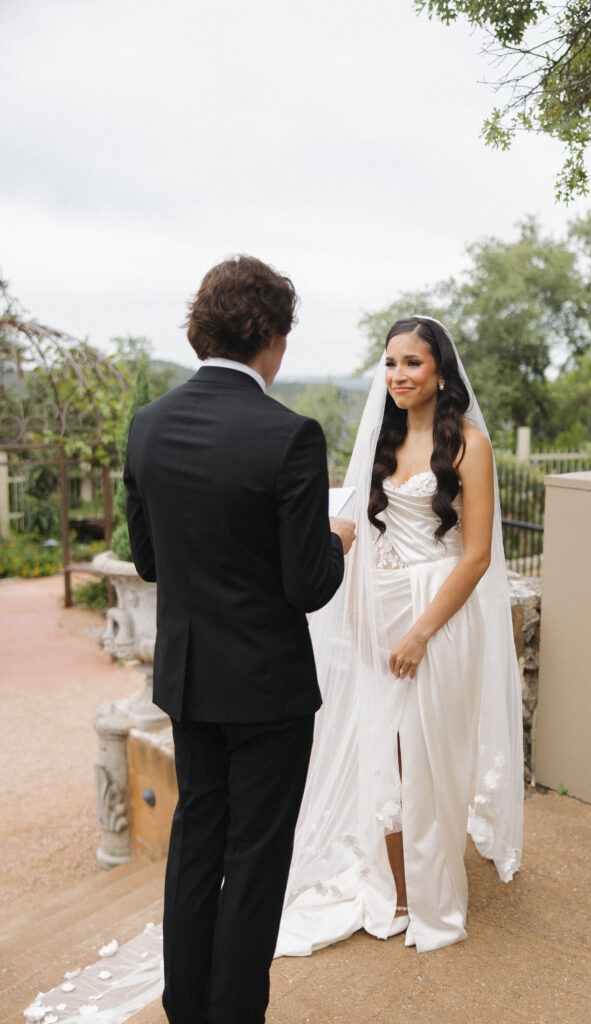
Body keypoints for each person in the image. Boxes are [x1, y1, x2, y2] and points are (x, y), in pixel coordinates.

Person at [124, 255, 356, 1024]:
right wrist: (334, 540)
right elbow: (306, 585)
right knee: (253, 862)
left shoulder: (147, 425)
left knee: (196, 845)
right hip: (267, 693)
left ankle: (186, 1010)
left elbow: (150, 562)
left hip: (190, 680)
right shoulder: (289, 436)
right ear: (273, 339)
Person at [275, 315, 523, 957]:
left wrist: (418, 632)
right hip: (382, 606)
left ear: (440, 369)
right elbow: (364, 531)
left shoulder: (469, 444)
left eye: (412, 363)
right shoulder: (381, 441)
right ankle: (401, 890)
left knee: (434, 756)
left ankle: (438, 904)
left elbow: (475, 557)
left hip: (439, 612)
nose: (398, 376)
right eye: (390, 364)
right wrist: (361, 617)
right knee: (384, 754)